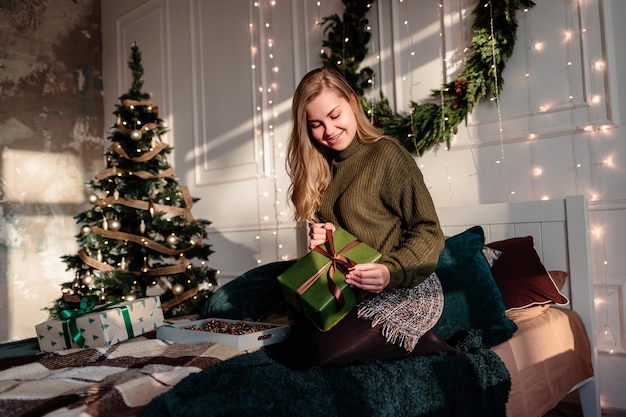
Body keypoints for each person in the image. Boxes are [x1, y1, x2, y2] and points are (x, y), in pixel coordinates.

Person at [204, 67, 459, 368]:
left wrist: (390, 271)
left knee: (318, 355)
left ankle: (427, 344)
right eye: (316, 124)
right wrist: (324, 238)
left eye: (335, 115)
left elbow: (428, 230)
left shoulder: (386, 154)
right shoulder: (321, 169)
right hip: (349, 291)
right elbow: (344, 246)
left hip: (403, 287)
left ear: (352, 101)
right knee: (284, 346)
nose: (329, 130)